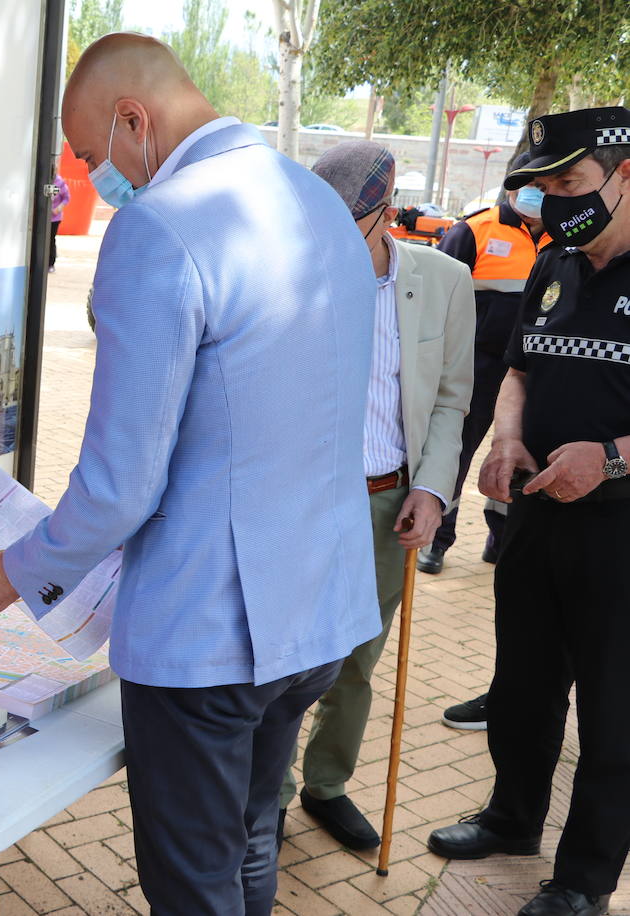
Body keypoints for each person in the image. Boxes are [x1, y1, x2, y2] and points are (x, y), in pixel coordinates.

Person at [0, 33, 379, 915]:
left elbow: (119, 486)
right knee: (252, 839)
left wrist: (14, 570)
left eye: (90, 155)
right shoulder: (316, 202)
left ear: (134, 120)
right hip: (319, 609)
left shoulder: (160, 227)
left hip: (212, 637)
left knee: (194, 884)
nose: (92, 176)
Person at [427, 106, 630, 916]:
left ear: (626, 175)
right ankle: (513, 820)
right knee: (523, 686)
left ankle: (582, 880)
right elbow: (518, 370)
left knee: (614, 715)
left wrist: (612, 457)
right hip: (538, 517)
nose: (555, 200)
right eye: (545, 186)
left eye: (571, 183)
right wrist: (504, 441)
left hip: (621, 532)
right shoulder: (556, 264)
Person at [280, 141, 474, 851]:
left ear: (384, 214)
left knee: (359, 655)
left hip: (389, 501)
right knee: (288, 653)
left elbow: (452, 402)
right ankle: (267, 795)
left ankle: (325, 783)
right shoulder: (292, 276)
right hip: (301, 502)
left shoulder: (445, 281)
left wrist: (432, 489)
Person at [420, 155, 551, 733]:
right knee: (453, 458)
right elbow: (435, 303)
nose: (538, 198)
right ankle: (438, 539)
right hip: (474, 368)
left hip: (527, 376)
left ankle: (498, 539)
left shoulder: (560, 241)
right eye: (532, 188)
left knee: (513, 466)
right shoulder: (473, 230)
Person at [49, 172, 70, 271]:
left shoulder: (60, 182)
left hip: (55, 218)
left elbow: (66, 198)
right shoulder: (42, 179)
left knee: (51, 240)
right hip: (44, 217)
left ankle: (51, 264)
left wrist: (58, 208)